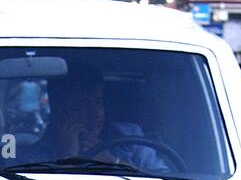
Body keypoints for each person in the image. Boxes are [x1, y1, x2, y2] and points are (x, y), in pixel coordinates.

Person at [43, 64, 172, 173]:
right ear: (60, 110)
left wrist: (113, 162)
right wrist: (67, 157)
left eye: (98, 101)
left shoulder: (130, 137)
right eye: (82, 103)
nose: (95, 113)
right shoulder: (33, 155)